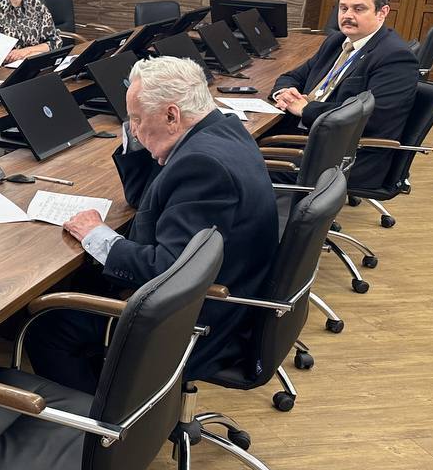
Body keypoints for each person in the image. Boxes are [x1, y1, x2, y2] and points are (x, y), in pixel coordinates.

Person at [26, 56, 277, 390]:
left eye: (136, 118)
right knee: (68, 287)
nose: (133, 128)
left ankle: (106, 414)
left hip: (199, 321)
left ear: (172, 115)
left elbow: (167, 269)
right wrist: (139, 137)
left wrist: (96, 234)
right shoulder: (221, 129)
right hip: (228, 286)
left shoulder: (203, 166)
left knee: (46, 327)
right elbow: (146, 196)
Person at [269, 0, 418, 189]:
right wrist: (284, 92)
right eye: (343, 8)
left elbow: (371, 117)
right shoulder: (337, 41)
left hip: (344, 157)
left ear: (382, 12)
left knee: (241, 163)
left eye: (359, 9)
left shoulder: (395, 57)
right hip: (305, 137)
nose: (348, 15)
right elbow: (293, 76)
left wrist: (306, 109)